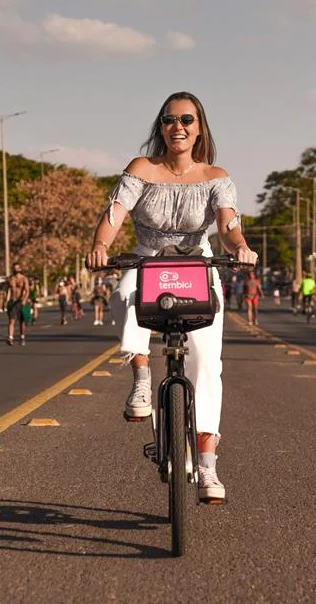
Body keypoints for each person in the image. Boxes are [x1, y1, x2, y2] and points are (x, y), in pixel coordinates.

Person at [86, 90, 258, 503]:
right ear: (160, 127)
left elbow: (228, 225)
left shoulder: (216, 176)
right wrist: (101, 246)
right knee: (124, 295)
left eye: (186, 120)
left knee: (206, 365)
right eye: (169, 120)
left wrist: (239, 249)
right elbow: (114, 214)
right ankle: (142, 379)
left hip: (197, 266)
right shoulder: (142, 168)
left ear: (199, 128)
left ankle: (207, 465)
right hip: (148, 261)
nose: (177, 127)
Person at [4, 262, 31, 346]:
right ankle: (10, 338)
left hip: (21, 301)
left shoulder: (24, 279)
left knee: (22, 322)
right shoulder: (9, 279)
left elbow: (27, 291)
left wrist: (24, 299)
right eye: (14, 268)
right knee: (11, 320)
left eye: (17, 268)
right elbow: (6, 291)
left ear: (20, 269)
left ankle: (22, 337)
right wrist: (4, 302)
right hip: (12, 301)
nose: (15, 270)